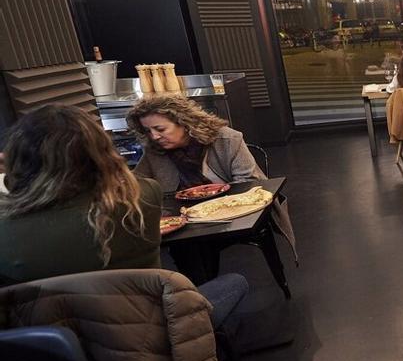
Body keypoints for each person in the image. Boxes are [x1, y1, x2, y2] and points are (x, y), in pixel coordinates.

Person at [0, 105, 247, 326]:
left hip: (61, 354)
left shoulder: (8, 235)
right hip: (156, 332)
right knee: (234, 281)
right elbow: (132, 182)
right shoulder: (142, 198)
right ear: (100, 153)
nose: (154, 137)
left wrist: (11, 177)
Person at [125, 95, 296, 253]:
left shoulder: (227, 139)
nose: (154, 136)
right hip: (184, 221)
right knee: (184, 247)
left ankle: (204, 284)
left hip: (231, 212)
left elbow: (249, 183)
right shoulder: (154, 152)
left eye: (160, 129)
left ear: (184, 123)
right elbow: (136, 185)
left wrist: (208, 209)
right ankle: (202, 284)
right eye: (148, 131)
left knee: (192, 248)